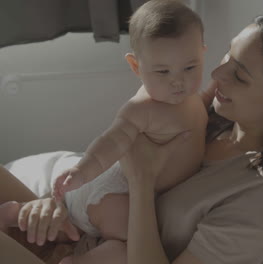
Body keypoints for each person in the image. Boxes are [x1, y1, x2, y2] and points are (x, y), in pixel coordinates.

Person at [0, 10, 263, 264]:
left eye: (239, 74)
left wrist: (142, 179)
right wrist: (56, 206)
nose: (217, 73)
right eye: (226, 56)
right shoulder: (211, 116)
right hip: (71, 229)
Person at [0, 0, 207, 263]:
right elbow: (111, 141)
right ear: (136, 67)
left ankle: (16, 216)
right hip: (109, 190)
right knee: (128, 246)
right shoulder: (142, 109)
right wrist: (81, 171)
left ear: (202, 53)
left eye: (190, 67)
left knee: (70, 229)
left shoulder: (193, 96)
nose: (178, 80)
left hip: (127, 190)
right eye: (162, 71)